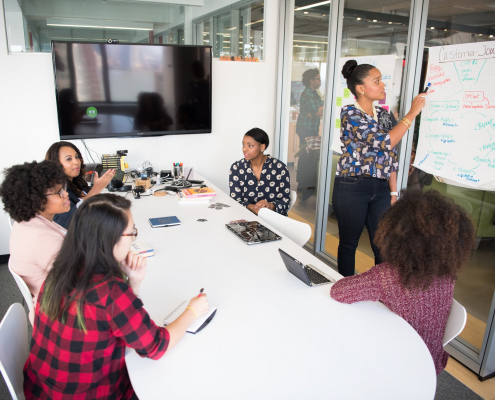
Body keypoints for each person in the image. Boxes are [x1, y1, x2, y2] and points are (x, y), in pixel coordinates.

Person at [23, 194, 209, 399]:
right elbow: (156, 346)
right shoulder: (109, 291)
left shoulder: (60, 271)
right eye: (132, 233)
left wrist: (133, 283)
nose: (133, 240)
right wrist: (192, 310)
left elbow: (112, 320)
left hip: (41, 390)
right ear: (111, 240)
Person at [330, 189, 475, 375]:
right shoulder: (446, 275)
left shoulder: (387, 275)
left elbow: (338, 291)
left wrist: (371, 275)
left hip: (398, 365)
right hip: (431, 362)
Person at [333, 60, 427, 277]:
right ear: (360, 88)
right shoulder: (350, 114)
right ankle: (345, 288)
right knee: (349, 243)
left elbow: (389, 156)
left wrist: (393, 192)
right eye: (377, 81)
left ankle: (382, 293)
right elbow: (384, 142)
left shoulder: (383, 114)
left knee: (383, 246)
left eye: (382, 80)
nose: (383, 85)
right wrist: (412, 113)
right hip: (352, 186)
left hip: (382, 187)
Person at [0, 161, 70, 323]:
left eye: (63, 188)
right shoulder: (42, 237)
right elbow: (80, 282)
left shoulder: (27, 221)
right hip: (61, 315)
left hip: (50, 301)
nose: (65, 194)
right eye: (58, 192)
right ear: (35, 199)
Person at [45, 141, 115, 229]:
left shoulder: (78, 184)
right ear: (55, 164)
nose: (76, 162)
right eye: (69, 159)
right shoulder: (56, 193)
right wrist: (97, 189)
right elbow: (72, 221)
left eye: (77, 157)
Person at [230, 128, 291, 216]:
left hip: (273, 220)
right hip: (245, 218)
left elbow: (285, 201)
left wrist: (269, 205)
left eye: (250, 146)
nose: (244, 149)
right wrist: (254, 208)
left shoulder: (280, 168)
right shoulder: (237, 168)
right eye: (243, 144)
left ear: (262, 147)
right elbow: (235, 199)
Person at [295, 68, 323, 201]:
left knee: (307, 155)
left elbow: (320, 108)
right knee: (306, 155)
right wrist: (317, 111)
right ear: (311, 80)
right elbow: (317, 111)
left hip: (311, 127)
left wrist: (318, 110)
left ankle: (303, 184)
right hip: (306, 128)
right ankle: (302, 184)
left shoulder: (314, 93)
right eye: (318, 78)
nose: (320, 81)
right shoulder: (308, 93)